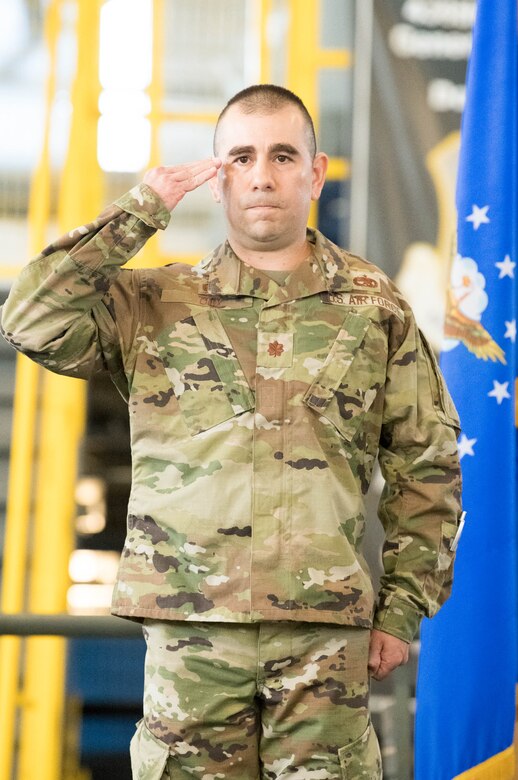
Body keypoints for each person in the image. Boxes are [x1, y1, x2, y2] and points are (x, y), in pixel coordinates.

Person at [1, 84, 462, 779]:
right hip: (191, 641)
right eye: (241, 157)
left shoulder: (375, 308)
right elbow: (29, 317)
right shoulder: (151, 303)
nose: (262, 175)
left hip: (324, 642)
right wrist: (140, 210)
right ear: (218, 177)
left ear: (317, 171)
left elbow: (426, 464)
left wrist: (401, 611)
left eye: (283, 155)